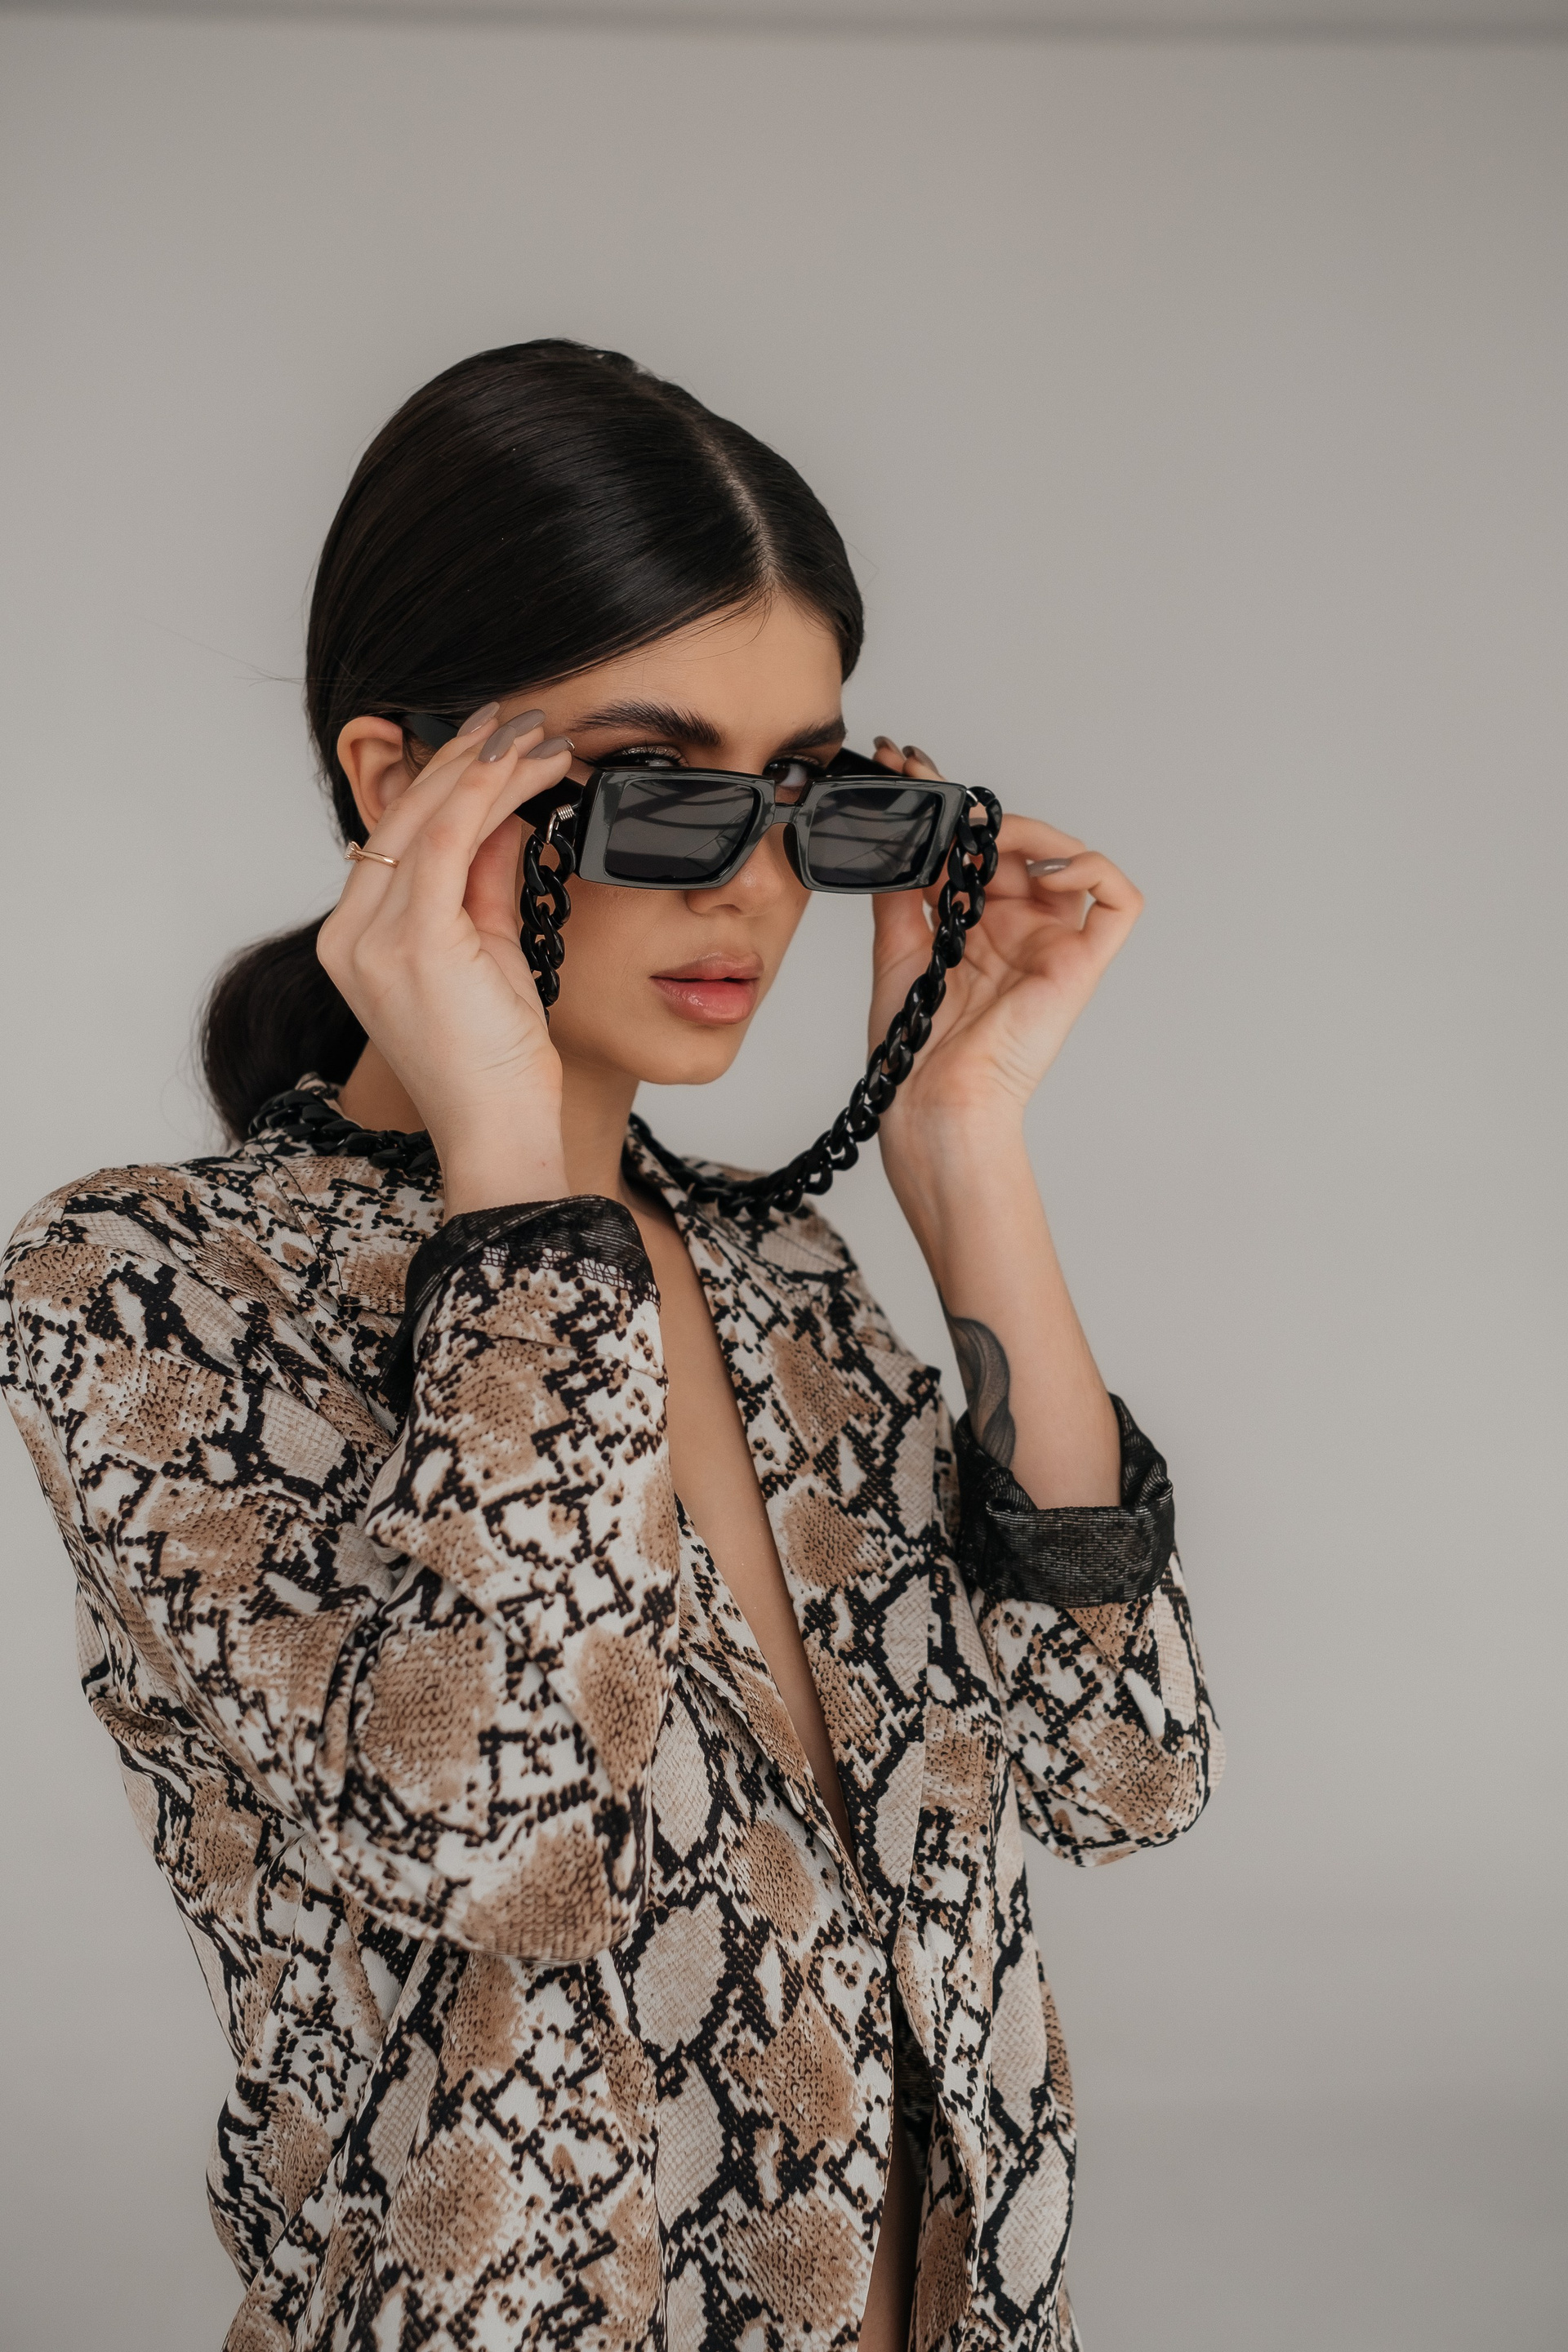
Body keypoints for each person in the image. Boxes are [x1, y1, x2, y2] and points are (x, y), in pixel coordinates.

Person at [0, 340, 1221, 2352]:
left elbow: (1124, 1772)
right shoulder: (147, 1286)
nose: (754, 884)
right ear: (397, 784)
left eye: (811, 803)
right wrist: (510, 1166)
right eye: (659, 794)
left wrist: (962, 1145)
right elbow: (487, 1832)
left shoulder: (780, 1274)